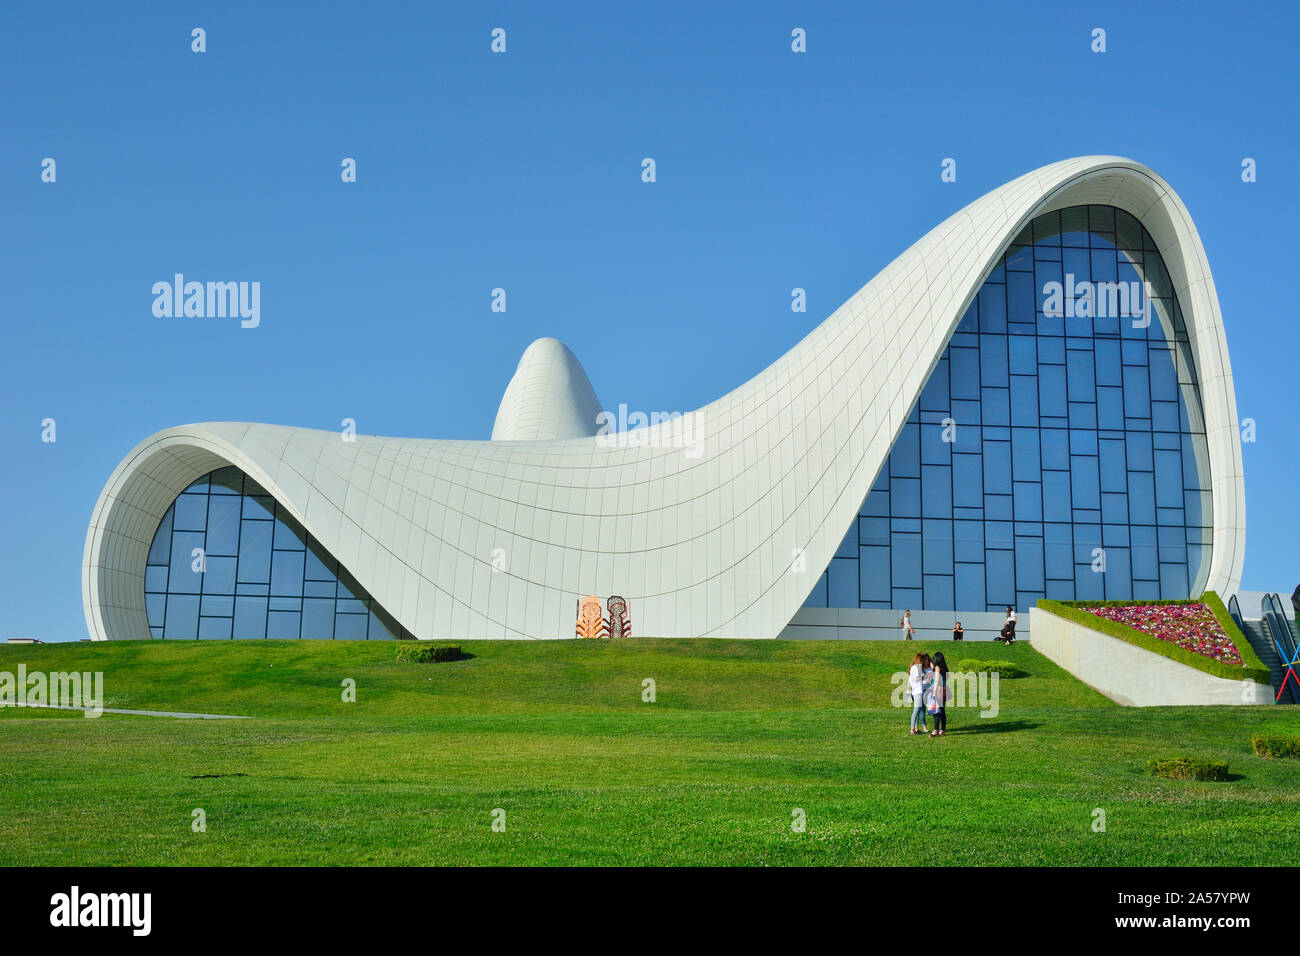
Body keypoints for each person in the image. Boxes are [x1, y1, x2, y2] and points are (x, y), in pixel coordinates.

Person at [908, 652, 930, 735]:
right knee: (916, 710)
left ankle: (916, 729)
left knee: (917, 710)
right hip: (917, 691)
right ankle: (912, 729)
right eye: (922, 660)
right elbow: (916, 679)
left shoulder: (916, 667)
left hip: (918, 691)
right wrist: (924, 676)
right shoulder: (916, 667)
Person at [928, 652, 949, 737]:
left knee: (936, 711)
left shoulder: (937, 668)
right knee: (942, 710)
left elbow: (936, 680)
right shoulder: (944, 668)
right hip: (944, 690)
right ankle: (942, 730)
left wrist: (934, 692)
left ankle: (935, 730)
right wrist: (931, 665)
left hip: (937, 690)